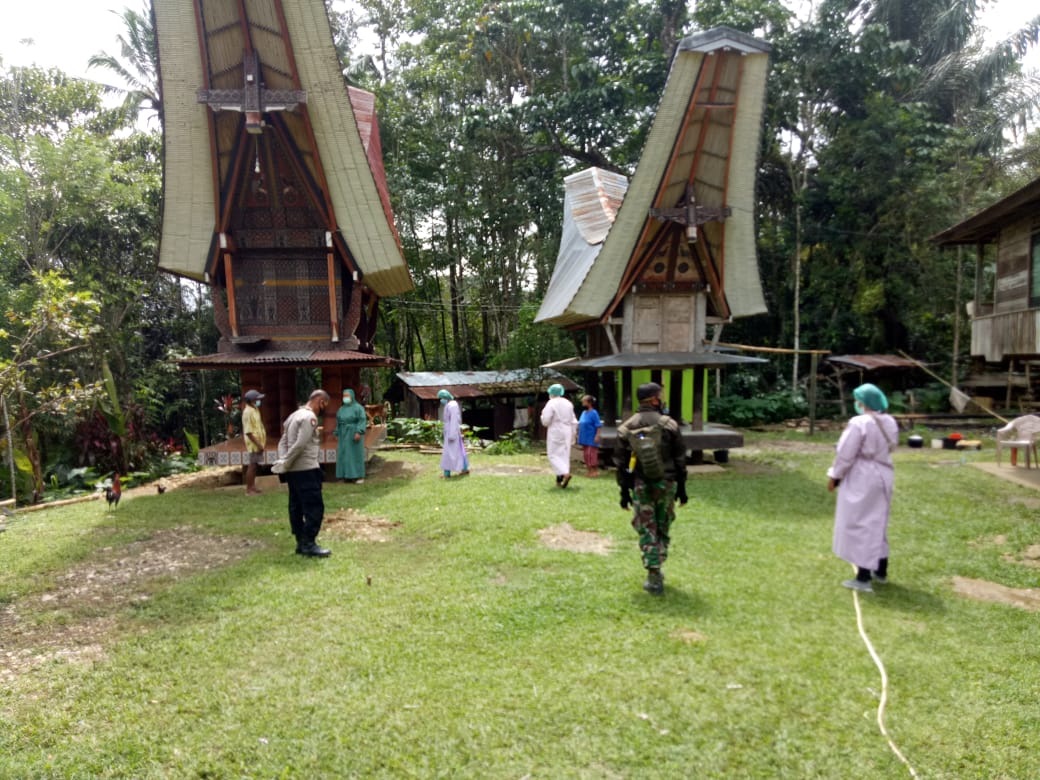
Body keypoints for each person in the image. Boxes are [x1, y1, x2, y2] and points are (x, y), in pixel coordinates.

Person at [615, 382, 688, 595]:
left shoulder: (626, 427)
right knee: (663, 524)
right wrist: (682, 488)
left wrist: (623, 492)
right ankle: (658, 566)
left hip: (640, 485)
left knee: (647, 527)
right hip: (666, 484)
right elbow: (680, 459)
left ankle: (653, 572)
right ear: (654, 400)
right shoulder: (669, 425)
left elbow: (620, 464)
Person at [827, 382, 898, 593]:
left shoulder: (860, 422)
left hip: (863, 476)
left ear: (863, 402)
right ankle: (881, 571)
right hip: (884, 473)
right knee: (877, 522)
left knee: (860, 524)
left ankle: (863, 576)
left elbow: (846, 453)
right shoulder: (890, 421)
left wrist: (835, 475)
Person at [271, 390, 332, 557]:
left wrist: (284, 461)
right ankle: (309, 544)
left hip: (293, 472)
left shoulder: (293, 416)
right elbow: (300, 444)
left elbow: (283, 441)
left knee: (296, 506)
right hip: (307, 469)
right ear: (320, 401)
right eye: (324, 405)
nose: (324, 409)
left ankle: (300, 542)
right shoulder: (309, 418)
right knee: (314, 507)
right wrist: (287, 461)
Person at [540, 383, 578, 488]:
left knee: (553, 455)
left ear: (551, 393)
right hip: (567, 430)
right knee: (564, 455)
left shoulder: (551, 403)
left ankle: (565, 474)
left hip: (556, 430)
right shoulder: (568, 403)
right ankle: (559, 480)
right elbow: (574, 420)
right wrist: (574, 434)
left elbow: (546, 420)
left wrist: (542, 417)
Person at [335, 388, 367, 483]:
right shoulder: (341, 409)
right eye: (344, 396)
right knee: (343, 454)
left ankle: (358, 476)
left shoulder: (358, 408)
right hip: (343, 433)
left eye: (347, 396)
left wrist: (358, 431)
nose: (345, 398)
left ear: (352, 396)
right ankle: (344, 476)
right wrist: (337, 432)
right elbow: (338, 422)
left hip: (353, 433)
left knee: (355, 454)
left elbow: (362, 420)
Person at [438, 389, 470, 478]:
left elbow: (454, 421)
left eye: (442, 398)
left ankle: (447, 474)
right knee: (459, 451)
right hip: (450, 431)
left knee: (450, 453)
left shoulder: (453, 405)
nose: (441, 400)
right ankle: (464, 469)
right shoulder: (449, 405)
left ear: (446, 397)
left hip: (452, 433)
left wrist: (452, 434)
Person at [241, 389, 267, 495]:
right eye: (257, 399)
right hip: (254, 444)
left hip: (258, 443)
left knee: (255, 465)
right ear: (252, 400)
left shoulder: (255, 409)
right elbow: (248, 432)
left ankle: (253, 487)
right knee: (252, 466)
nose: (259, 400)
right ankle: (249, 489)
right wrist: (259, 444)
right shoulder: (247, 412)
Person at [577, 394, 603, 478]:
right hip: (584, 437)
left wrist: (597, 436)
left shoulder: (594, 413)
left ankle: (594, 471)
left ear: (589, 403)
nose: (582, 403)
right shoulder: (583, 413)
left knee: (591, 454)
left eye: (584, 402)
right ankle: (589, 470)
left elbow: (598, 426)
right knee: (586, 455)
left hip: (591, 438)